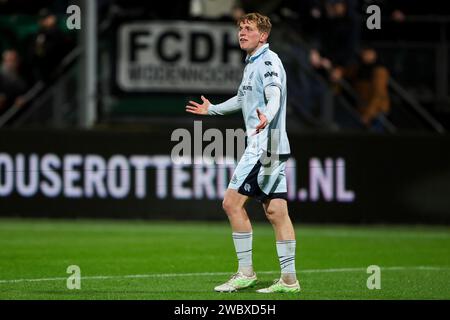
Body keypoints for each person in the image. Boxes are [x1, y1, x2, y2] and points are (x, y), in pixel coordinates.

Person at [185, 12, 300, 293]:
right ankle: (289, 280)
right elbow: (241, 98)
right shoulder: (252, 64)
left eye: (248, 29)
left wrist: (267, 116)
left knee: (231, 204)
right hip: (270, 144)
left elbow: (274, 94)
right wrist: (212, 109)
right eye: (240, 28)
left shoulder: (268, 61)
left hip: (265, 144)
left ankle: (245, 272)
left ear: (263, 36)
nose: (242, 32)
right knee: (276, 211)